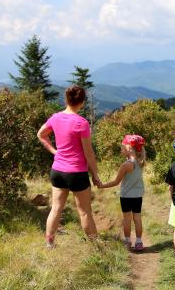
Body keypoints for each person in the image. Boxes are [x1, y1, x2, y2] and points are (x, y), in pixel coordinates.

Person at [37, 85, 102, 249]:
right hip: (77, 173)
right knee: (85, 211)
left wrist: (54, 152)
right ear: (81, 102)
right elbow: (89, 154)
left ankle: (49, 243)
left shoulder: (55, 117)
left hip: (57, 171)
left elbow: (41, 134)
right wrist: (95, 175)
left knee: (56, 208)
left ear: (67, 99)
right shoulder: (82, 123)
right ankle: (96, 246)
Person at [99, 134, 146, 251]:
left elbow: (116, 182)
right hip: (138, 195)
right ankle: (139, 242)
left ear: (129, 149)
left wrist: (102, 185)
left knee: (127, 219)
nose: (121, 149)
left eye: (122, 147)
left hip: (126, 196)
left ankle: (127, 241)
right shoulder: (141, 162)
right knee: (137, 218)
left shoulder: (126, 165)